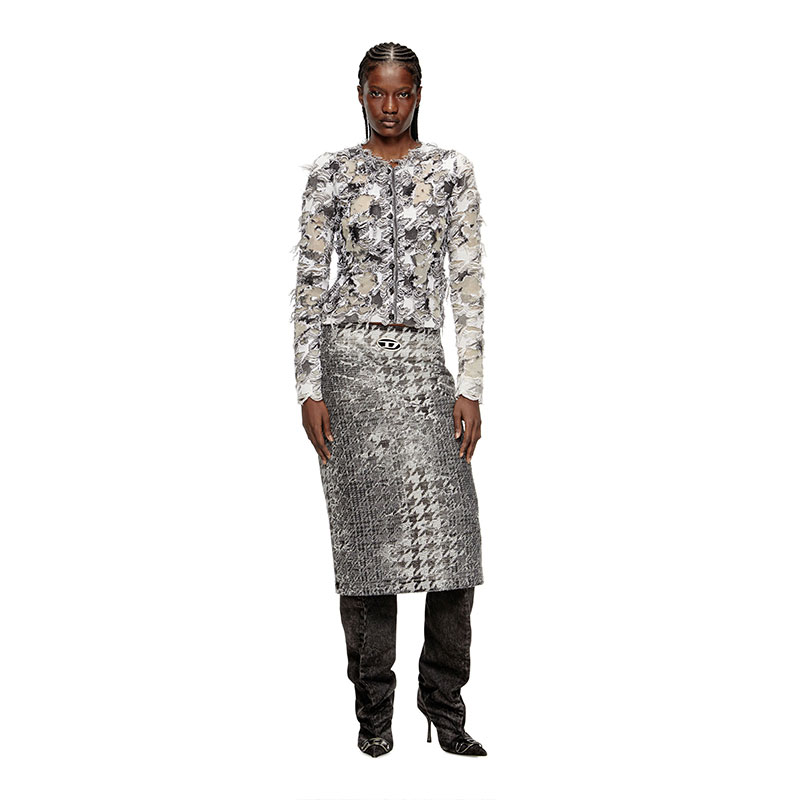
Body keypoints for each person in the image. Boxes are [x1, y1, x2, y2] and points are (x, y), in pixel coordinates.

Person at [290, 42, 487, 758]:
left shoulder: (451, 172)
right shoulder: (334, 174)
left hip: (422, 365)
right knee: (368, 550)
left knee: (455, 548)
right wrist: (309, 387)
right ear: (360, 94)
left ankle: (444, 704)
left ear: (420, 94)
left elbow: (468, 284)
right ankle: (374, 713)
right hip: (349, 368)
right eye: (378, 92)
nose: (391, 107)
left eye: (403, 93)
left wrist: (469, 384)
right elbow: (309, 285)